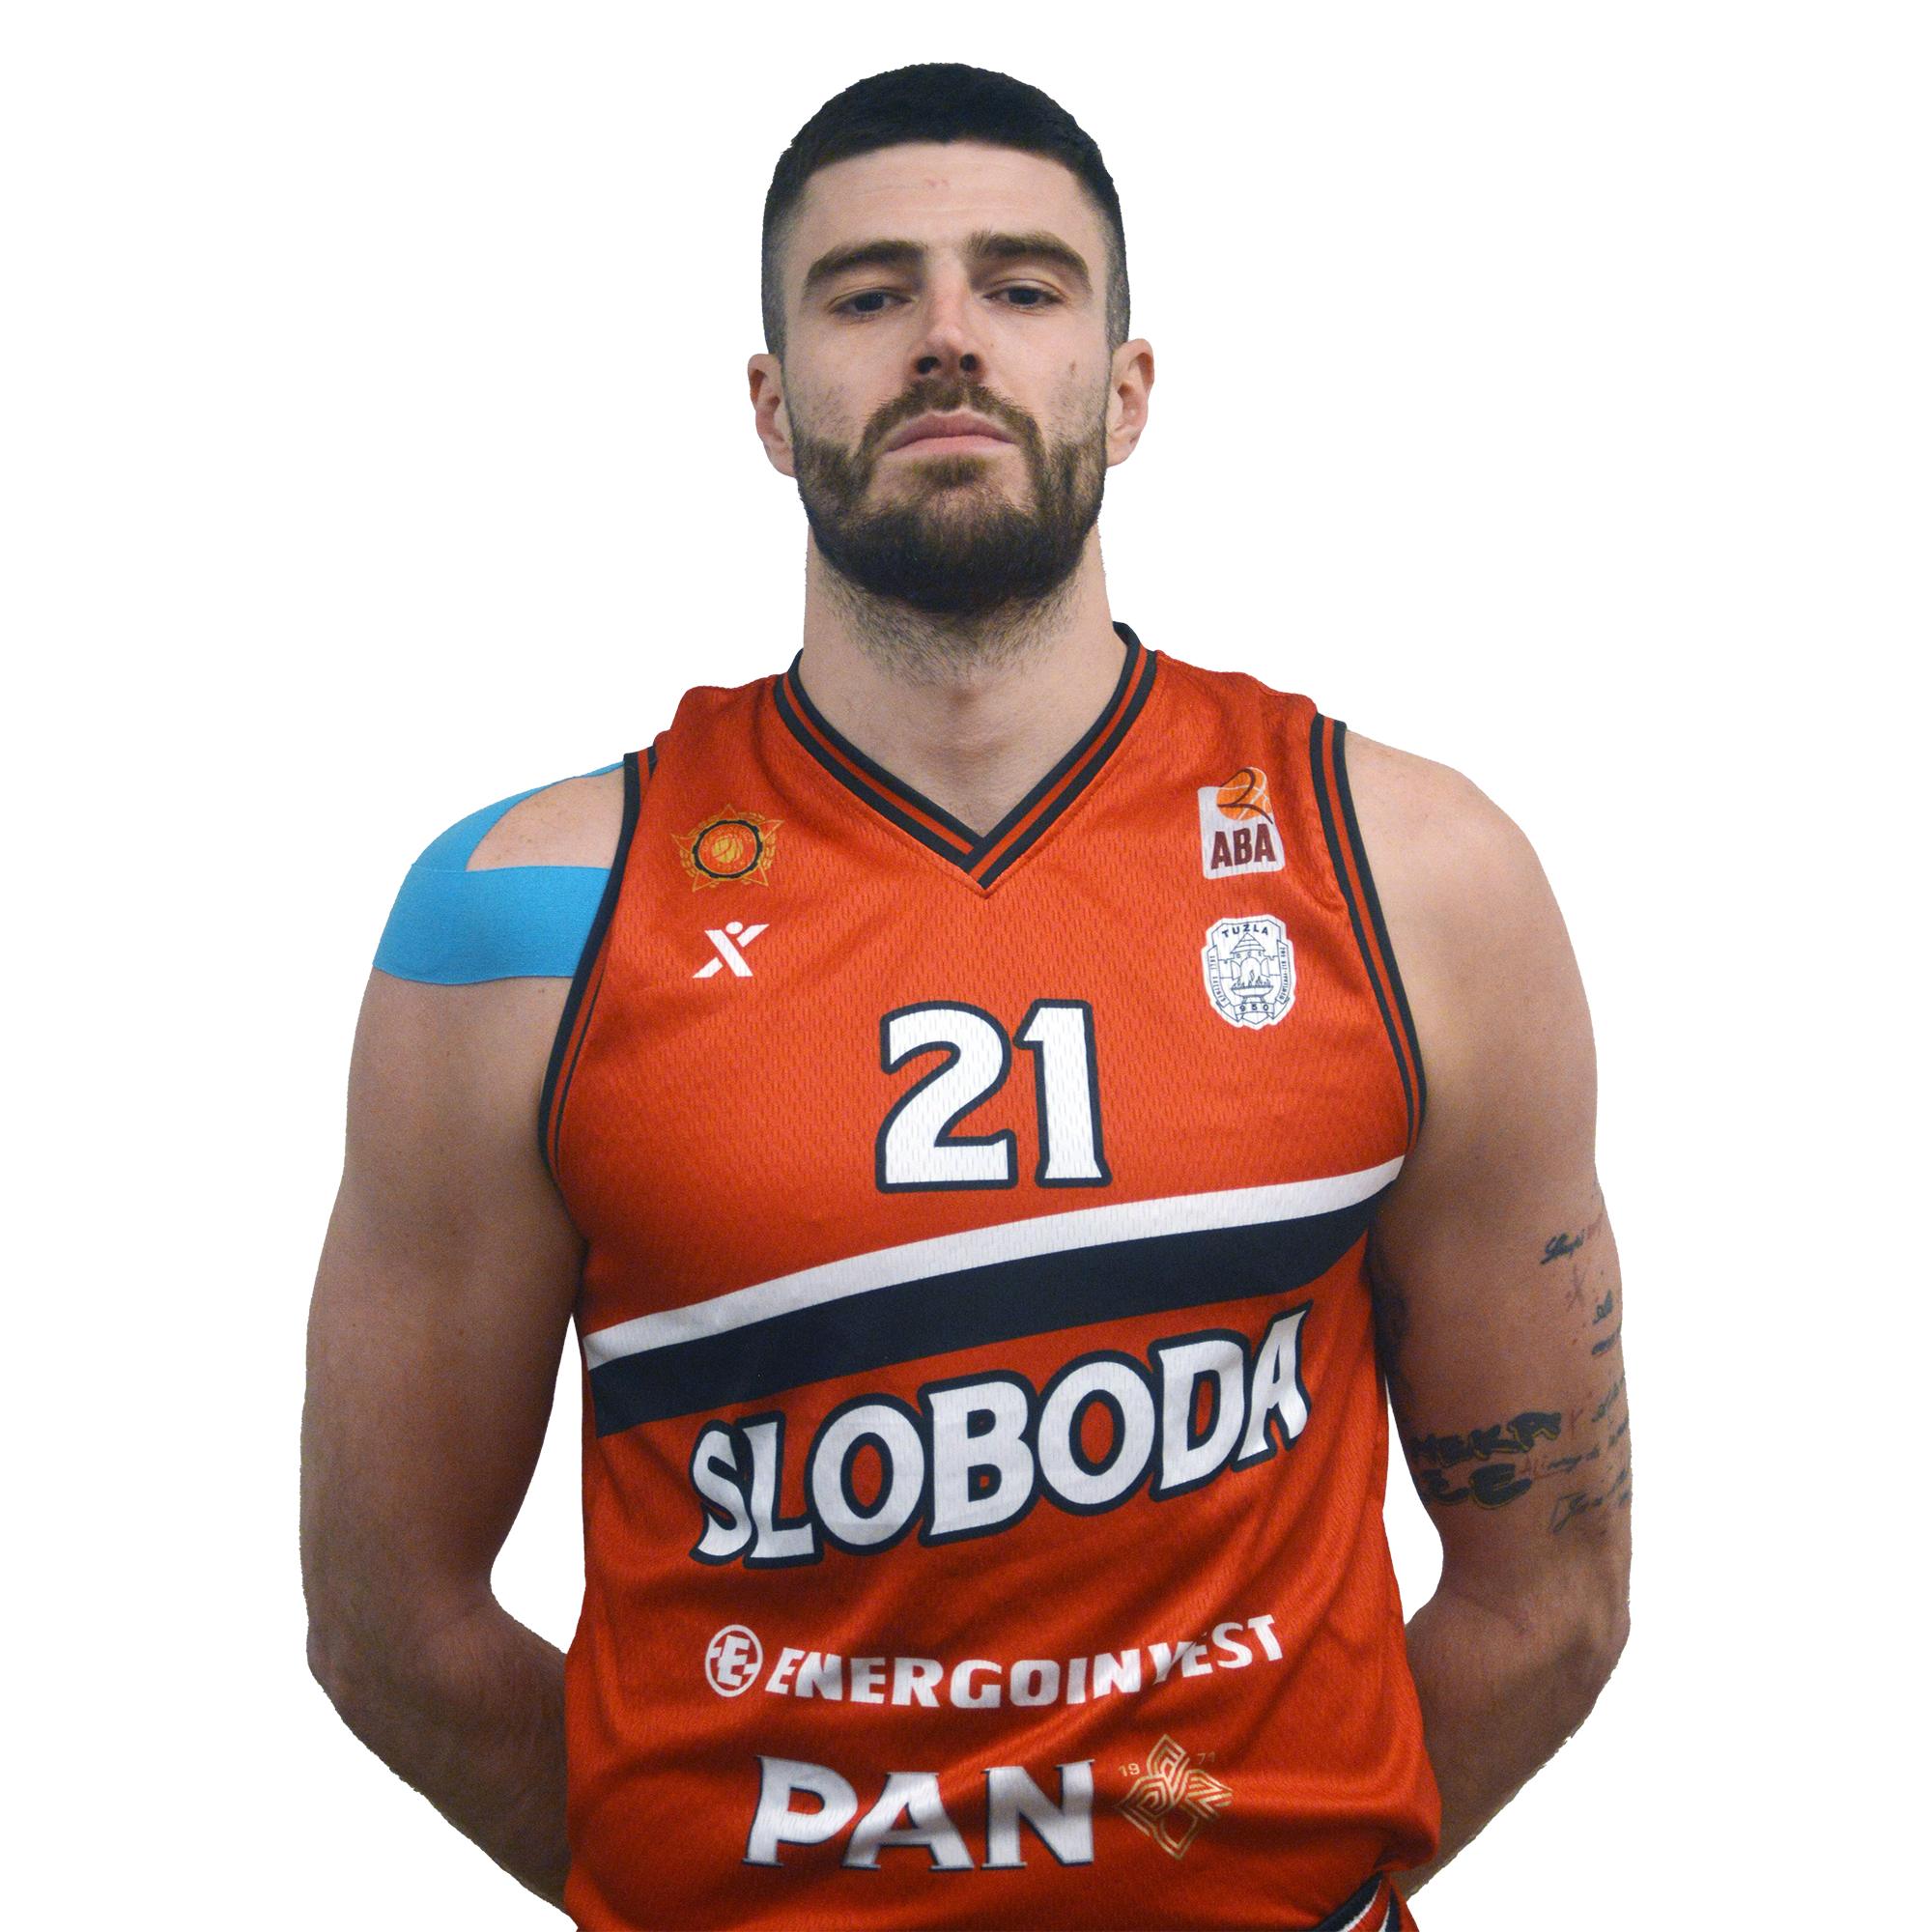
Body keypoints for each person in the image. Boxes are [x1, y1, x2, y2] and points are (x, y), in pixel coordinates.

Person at [301, 64, 1630, 1932]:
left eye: (1021, 285)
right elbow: (393, 1629)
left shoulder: (1414, 876)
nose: (947, 336)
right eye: (869, 293)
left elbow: (1551, 1594)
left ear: (1128, 386)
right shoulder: (526, 916)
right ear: (771, 406)